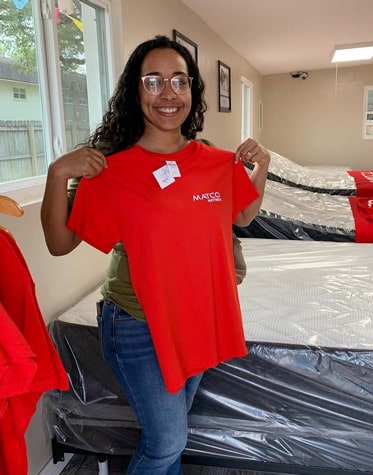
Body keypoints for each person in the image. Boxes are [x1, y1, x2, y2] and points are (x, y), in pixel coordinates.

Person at [41, 34, 270, 474]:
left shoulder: (212, 161)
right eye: (153, 81)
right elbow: (59, 243)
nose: (168, 93)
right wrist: (57, 174)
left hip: (198, 315)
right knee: (167, 441)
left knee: (173, 437)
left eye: (179, 81)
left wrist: (262, 169)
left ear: (191, 92)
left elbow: (242, 215)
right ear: (136, 91)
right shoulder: (112, 167)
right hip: (136, 321)